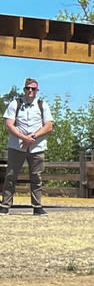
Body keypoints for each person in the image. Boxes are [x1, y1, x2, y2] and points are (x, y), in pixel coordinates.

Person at [3, 78, 53, 216]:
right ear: (24, 89)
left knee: (36, 177)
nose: (30, 91)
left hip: (37, 147)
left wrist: (32, 138)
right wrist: (23, 138)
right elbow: (9, 125)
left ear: (37, 91)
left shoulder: (43, 105)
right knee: (11, 175)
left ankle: (37, 206)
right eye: (27, 88)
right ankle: (5, 205)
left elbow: (48, 126)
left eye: (33, 89)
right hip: (16, 146)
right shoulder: (15, 104)